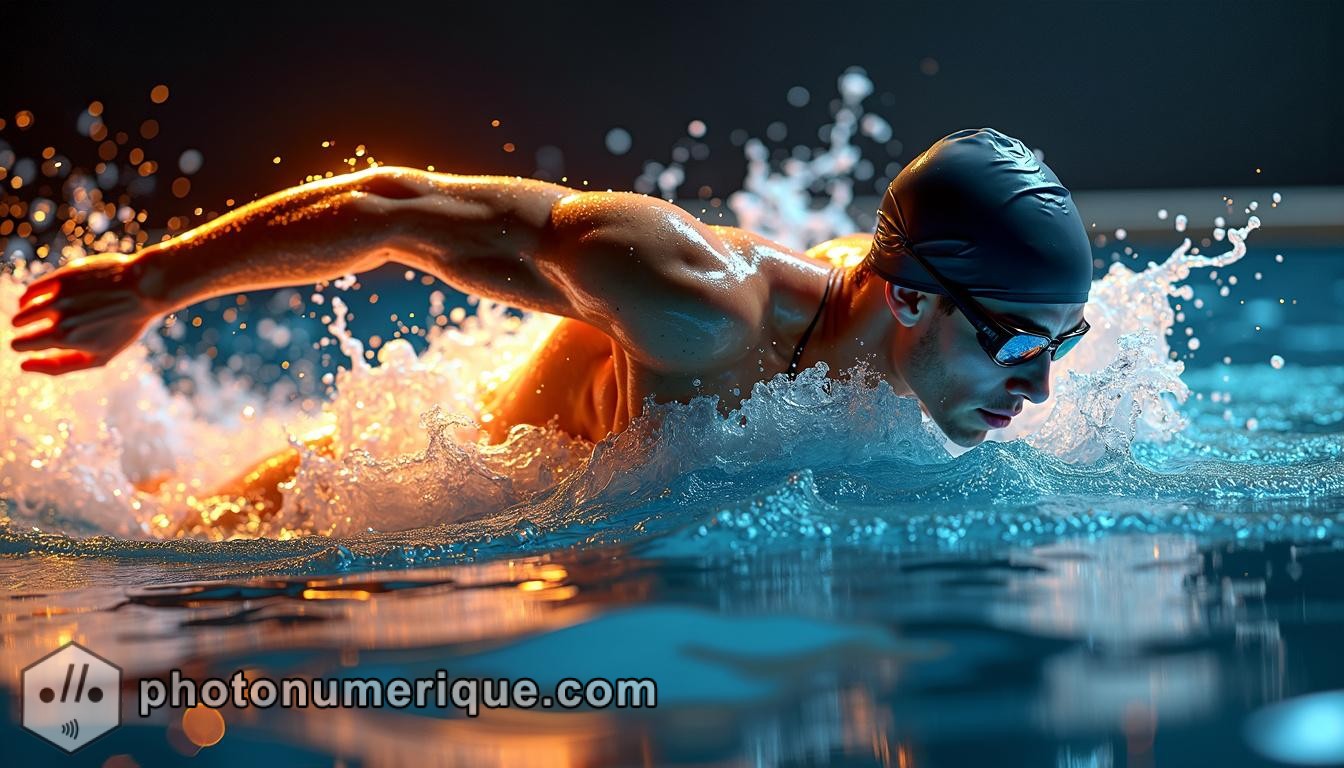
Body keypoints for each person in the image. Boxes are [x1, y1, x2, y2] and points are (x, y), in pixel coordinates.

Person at [9, 128, 1092, 521]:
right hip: (391, 501)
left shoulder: (919, 330)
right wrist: (151, 284)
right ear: (908, 299)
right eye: (1017, 343)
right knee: (164, 532)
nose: (1040, 387)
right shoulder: (696, 301)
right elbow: (394, 206)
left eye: (1062, 343)